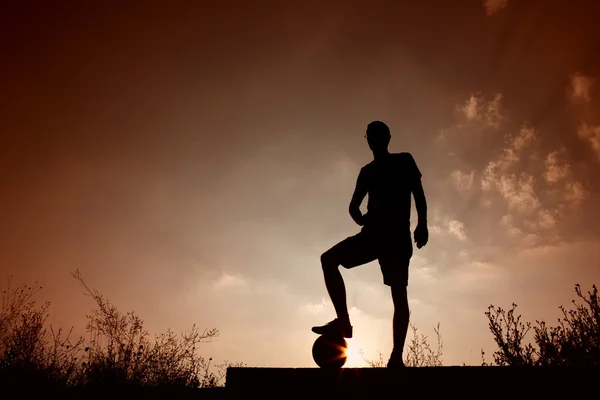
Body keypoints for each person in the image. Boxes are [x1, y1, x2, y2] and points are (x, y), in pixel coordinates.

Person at [312, 120, 428, 368]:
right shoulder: (367, 172)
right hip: (373, 234)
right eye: (372, 135)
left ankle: (396, 356)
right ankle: (343, 321)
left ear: (387, 137)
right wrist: (360, 218)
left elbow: (418, 193)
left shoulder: (404, 160)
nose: (375, 139)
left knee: (399, 294)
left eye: (379, 134)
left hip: (396, 236)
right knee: (328, 259)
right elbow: (353, 205)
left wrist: (423, 224)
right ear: (369, 140)